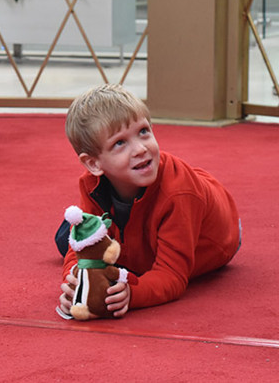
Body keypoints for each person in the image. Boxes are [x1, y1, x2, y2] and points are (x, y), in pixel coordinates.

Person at [55, 84, 241, 319]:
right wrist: (75, 284)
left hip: (212, 233)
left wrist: (132, 293)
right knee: (69, 239)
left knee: (77, 240)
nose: (141, 148)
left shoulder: (179, 195)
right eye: (120, 143)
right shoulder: (91, 184)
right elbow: (80, 250)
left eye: (143, 131)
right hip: (137, 232)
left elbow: (172, 276)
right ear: (94, 164)